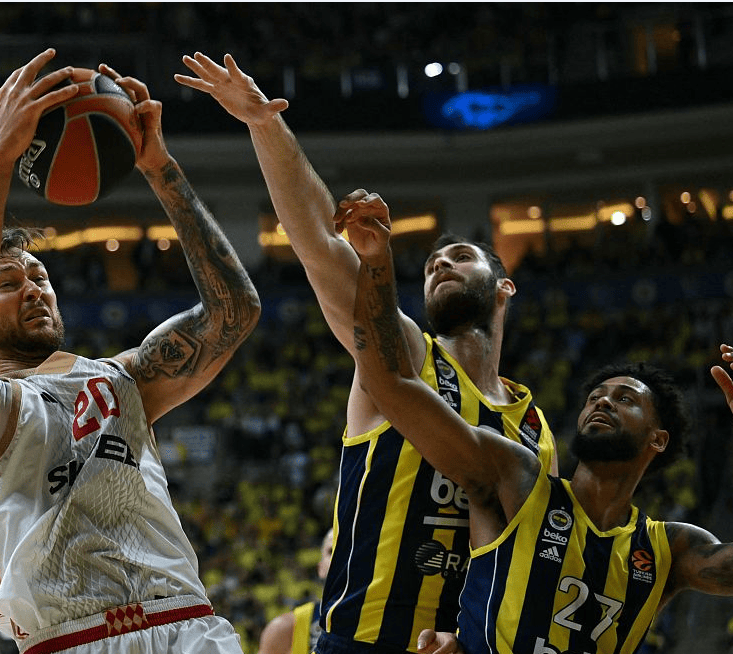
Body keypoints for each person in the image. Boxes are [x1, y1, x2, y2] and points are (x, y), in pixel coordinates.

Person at [175, 55, 557, 654]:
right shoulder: (402, 352)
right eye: (431, 263)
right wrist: (265, 124)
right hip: (364, 642)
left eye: (460, 257)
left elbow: (534, 560)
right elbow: (320, 243)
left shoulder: (536, 429)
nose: (440, 264)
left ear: (504, 287)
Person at [0, 49, 260, 654]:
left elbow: (235, 311)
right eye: (8, 282)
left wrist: (160, 167)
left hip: (188, 625)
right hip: (72, 637)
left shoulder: (124, 381)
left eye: (40, 276)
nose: (33, 289)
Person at [343, 198, 733, 654]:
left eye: (625, 399)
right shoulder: (515, 478)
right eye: (595, 397)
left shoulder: (668, 550)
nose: (603, 402)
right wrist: (376, 263)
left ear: (658, 439)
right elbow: (390, 383)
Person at [258, 529, 334, 654]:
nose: (340, 557)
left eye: (348, 550)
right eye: (331, 551)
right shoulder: (285, 629)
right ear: (320, 568)